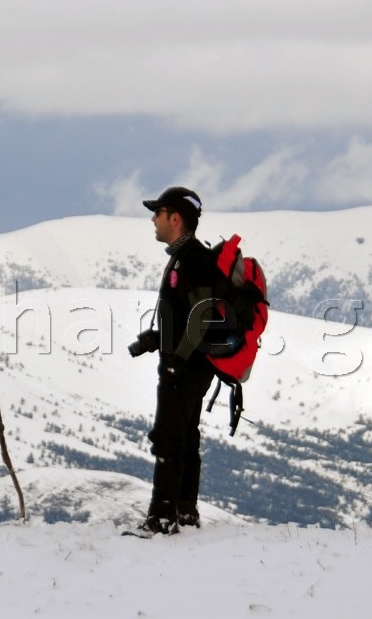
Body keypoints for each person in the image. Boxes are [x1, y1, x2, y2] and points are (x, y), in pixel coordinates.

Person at [127, 186, 233, 534]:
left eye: (157, 213)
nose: (153, 220)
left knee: (168, 438)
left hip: (187, 366)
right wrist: (157, 339)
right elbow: (191, 313)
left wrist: (176, 360)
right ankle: (185, 513)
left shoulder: (192, 259)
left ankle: (161, 518)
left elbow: (202, 315)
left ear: (175, 218)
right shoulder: (186, 256)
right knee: (185, 435)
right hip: (191, 363)